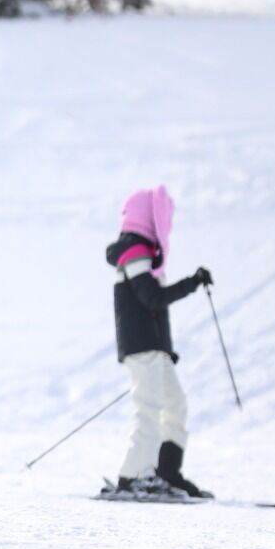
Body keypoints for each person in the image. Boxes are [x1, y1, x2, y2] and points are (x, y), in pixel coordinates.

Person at [100, 185, 215, 500]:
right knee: (149, 409)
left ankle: (166, 472)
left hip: (154, 348)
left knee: (175, 405)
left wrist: (166, 349)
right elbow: (152, 299)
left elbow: (152, 305)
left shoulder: (144, 255)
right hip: (143, 347)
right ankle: (133, 476)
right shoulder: (133, 254)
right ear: (149, 218)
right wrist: (192, 283)